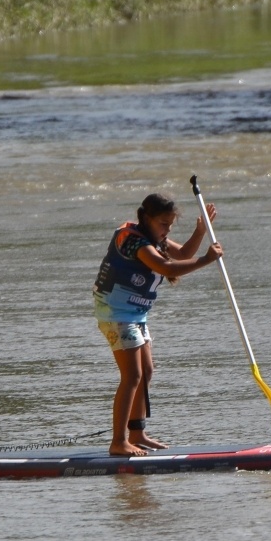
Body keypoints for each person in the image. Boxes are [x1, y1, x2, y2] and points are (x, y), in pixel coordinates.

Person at [93, 192, 224, 456]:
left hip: (135, 314)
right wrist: (207, 259)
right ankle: (118, 441)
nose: (167, 230)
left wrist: (200, 231)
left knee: (146, 372)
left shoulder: (154, 238)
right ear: (147, 218)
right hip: (116, 314)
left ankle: (137, 432)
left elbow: (183, 253)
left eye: (170, 225)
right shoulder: (133, 240)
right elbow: (167, 268)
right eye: (163, 224)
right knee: (132, 376)